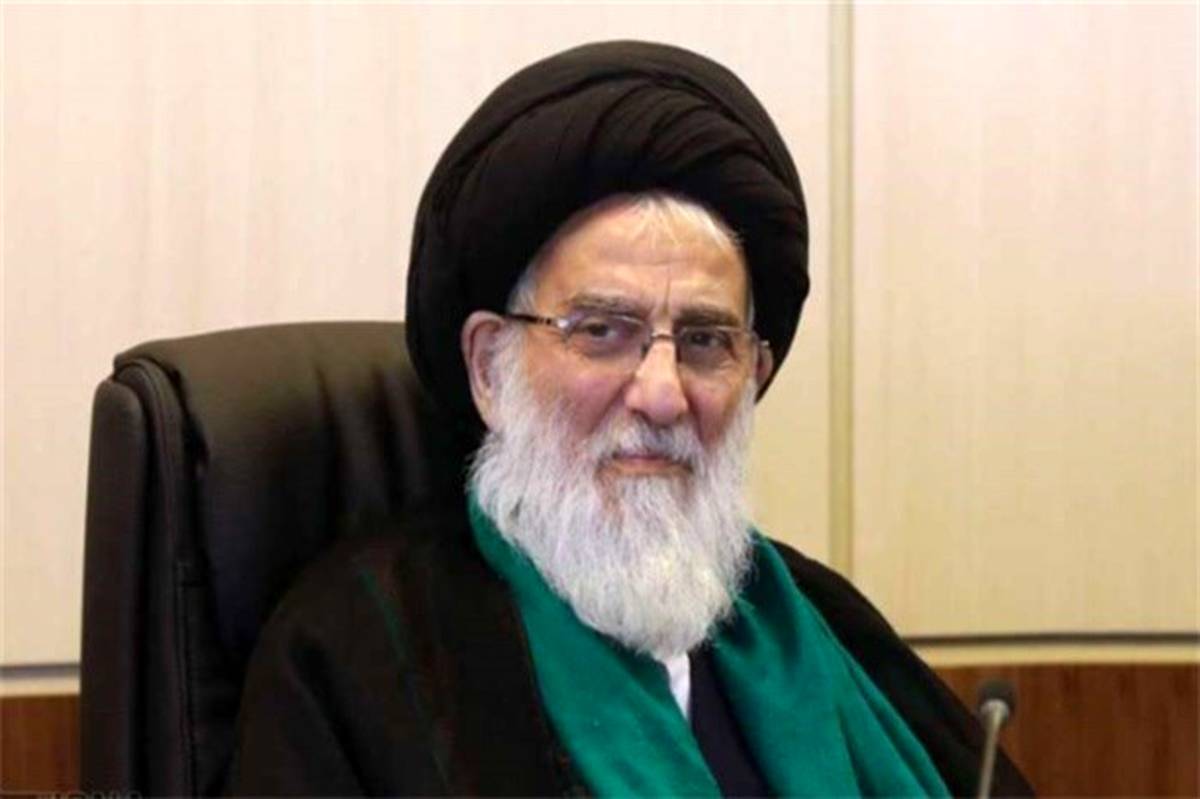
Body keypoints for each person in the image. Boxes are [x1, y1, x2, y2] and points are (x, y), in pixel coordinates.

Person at [225, 41, 1031, 796]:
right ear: (489, 368)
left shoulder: (824, 621)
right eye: (603, 332)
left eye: (706, 341)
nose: (661, 393)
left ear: (753, 375)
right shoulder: (360, 652)